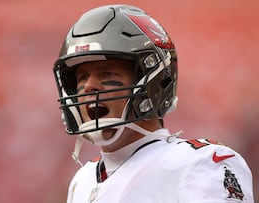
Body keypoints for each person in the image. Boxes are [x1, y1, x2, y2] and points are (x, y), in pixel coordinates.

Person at [53, 4, 254, 203]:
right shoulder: (83, 180)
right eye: (82, 77)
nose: (89, 86)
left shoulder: (200, 162)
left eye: (107, 74)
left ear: (154, 84)